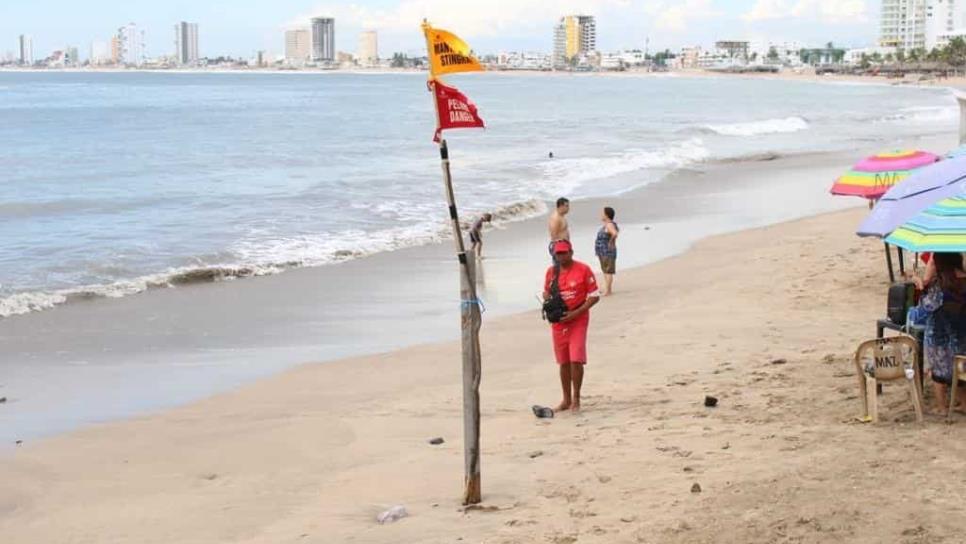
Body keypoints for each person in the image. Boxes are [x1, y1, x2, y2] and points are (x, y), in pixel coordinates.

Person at [543, 239, 600, 412]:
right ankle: (566, 399)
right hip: (559, 322)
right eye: (558, 253)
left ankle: (576, 397)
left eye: (564, 253)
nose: (561, 256)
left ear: (571, 252)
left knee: (576, 359)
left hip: (578, 318)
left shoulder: (583, 269)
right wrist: (549, 301)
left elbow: (594, 295)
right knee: (563, 361)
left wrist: (577, 312)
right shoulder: (552, 272)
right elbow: (545, 292)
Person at [914, 252, 966, 413]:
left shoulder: (940, 284)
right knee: (960, 370)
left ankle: (942, 407)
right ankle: (964, 404)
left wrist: (920, 286)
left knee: (939, 372)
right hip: (961, 333)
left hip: (939, 334)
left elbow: (926, 307)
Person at [595, 207, 619, 296]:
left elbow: (615, 233)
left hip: (607, 251)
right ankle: (607, 289)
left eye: (603, 213)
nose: (601, 215)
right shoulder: (607, 225)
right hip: (603, 251)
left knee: (608, 271)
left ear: (607, 215)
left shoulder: (609, 225)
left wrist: (611, 242)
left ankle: (608, 291)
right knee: (605, 270)